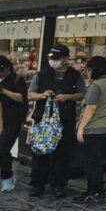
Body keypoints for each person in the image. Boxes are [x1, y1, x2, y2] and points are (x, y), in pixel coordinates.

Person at [27, 44, 85, 198]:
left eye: (57, 58)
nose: (53, 61)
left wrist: (67, 97)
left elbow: (82, 95)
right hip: (43, 121)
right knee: (40, 152)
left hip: (65, 120)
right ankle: (37, 184)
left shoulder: (75, 76)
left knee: (61, 154)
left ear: (66, 59)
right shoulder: (42, 75)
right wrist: (42, 95)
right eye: (51, 58)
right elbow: (30, 95)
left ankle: (58, 185)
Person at [75, 56, 106, 203]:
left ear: (96, 69)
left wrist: (80, 128)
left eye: (89, 69)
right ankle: (98, 189)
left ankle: (94, 191)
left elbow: (91, 107)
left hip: (95, 128)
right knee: (96, 160)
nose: (87, 73)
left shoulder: (97, 85)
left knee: (90, 162)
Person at [0, 55, 28, 192]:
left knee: (3, 148)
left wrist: (4, 91)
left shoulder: (17, 80)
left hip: (13, 120)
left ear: (6, 68)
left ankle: (7, 176)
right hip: (1, 119)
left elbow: (22, 98)